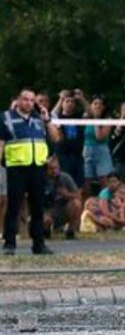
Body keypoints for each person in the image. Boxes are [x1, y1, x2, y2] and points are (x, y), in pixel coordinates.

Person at [2, 88, 62, 255]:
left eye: (31, 100)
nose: (29, 103)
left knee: (37, 208)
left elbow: (56, 138)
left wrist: (47, 119)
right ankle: (9, 244)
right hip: (17, 168)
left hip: (37, 168)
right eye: (25, 99)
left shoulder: (39, 118)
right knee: (13, 206)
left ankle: (39, 244)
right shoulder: (6, 118)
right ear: (18, 100)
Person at [52, 91, 86, 193]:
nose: (70, 103)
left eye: (72, 102)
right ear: (63, 104)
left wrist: (81, 99)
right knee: (63, 183)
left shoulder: (79, 116)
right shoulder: (58, 118)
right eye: (67, 101)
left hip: (77, 156)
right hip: (63, 156)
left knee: (79, 184)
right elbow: (51, 114)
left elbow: (90, 113)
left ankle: (78, 206)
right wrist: (61, 98)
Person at [82, 96, 115, 193]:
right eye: (95, 103)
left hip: (101, 151)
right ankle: (86, 205)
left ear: (104, 107)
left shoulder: (108, 120)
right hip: (87, 150)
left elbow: (99, 137)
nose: (97, 106)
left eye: (100, 104)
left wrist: (96, 118)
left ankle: (104, 204)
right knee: (86, 180)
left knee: (103, 180)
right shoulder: (86, 118)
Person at [43, 155, 81, 239]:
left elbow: (78, 195)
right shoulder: (41, 179)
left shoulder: (65, 177)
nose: (54, 171)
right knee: (46, 221)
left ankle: (71, 231)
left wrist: (66, 194)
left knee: (76, 204)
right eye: (51, 169)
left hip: (62, 208)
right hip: (47, 209)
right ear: (46, 169)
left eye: (56, 168)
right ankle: (45, 232)